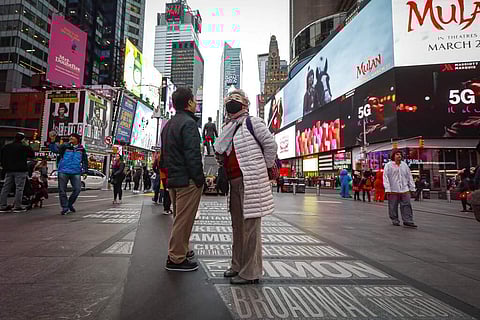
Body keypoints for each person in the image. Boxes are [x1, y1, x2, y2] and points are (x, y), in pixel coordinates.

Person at [214, 89, 277, 285]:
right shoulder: (228, 127)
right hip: (234, 182)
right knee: (238, 227)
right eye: (229, 100)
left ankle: (251, 272)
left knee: (251, 228)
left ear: (245, 104)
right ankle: (237, 265)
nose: (231, 103)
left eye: (236, 100)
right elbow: (220, 150)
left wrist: (262, 168)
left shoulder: (252, 122)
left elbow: (271, 146)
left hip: (251, 181)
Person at [160, 87, 205, 272]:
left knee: (180, 218)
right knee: (184, 220)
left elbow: (165, 154)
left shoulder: (169, 124)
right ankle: (176, 258)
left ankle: (182, 250)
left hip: (173, 179)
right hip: (187, 180)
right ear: (188, 103)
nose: (196, 103)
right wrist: (199, 178)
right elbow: (192, 154)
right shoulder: (188, 124)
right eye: (194, 100)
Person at [49, 132, 88, 215]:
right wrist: (52, 141)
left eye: (73, 137)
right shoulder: (64, 146)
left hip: (76, 171)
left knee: (77, 189)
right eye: (70, 137)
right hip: (63, 170)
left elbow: (85, 161)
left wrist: (85, 171)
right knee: (62, 190)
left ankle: (69, 204)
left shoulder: (81, 149)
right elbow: (54, 150)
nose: (71, 138)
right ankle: (65, 207)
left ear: (77, 139)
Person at [0, 132, 35, 212]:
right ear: (23, 139)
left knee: (6, 188)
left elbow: (2, 158)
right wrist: (27, 145)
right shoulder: (23, 147)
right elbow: (32, 155)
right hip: (20, 170)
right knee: (19, 188)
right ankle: (17, 206)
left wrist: (5, 167)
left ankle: (2, 205)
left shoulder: (6, 147)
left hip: (9, 170)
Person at [383, 150, 417, 228]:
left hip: (405, 189)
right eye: (397, 154)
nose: (399, 156)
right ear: (393, 156)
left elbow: (409, 177)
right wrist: (387, 189)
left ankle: (408, 220)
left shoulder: (404, 165)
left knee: (407, 205)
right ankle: (394, 219)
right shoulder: (388, 165)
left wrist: (412, 188)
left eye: (400, 154)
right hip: (393, 190)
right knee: (393, 206)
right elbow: (385, 177)